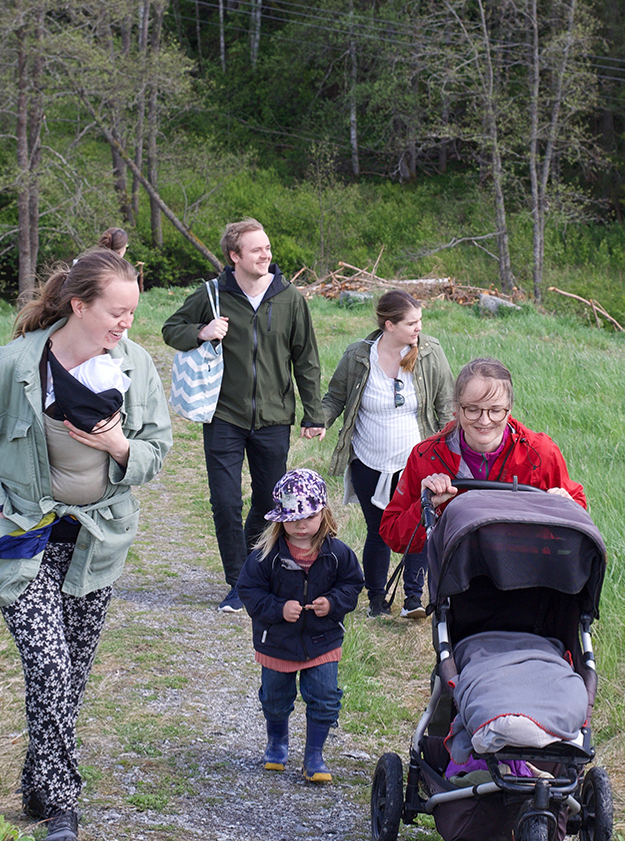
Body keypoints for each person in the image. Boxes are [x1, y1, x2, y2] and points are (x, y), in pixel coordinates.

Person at [0, 250, 172, 841]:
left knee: (69, 677)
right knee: (49, 664)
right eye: (116, 312)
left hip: (96, 540)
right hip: (21, 535)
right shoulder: (16, 365)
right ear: (79, 305)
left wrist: (122, 446)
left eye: (132, 313)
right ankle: (63, 806)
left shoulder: (136, 365)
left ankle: (36, 781)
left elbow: (158, 449)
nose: (126, 323)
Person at [161, 220, 326, 613]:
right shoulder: (213, 295)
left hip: (273, 418)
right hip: (224, 417)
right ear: (235, 256)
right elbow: (171, 329)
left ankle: (255, 568)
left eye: (267, 248)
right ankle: (237, 582)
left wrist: (312, 413)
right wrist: (202, 331)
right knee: (224, 501)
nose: (266, 255)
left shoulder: (290, 298)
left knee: (270, 501)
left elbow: (306, 360)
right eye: (257, 250)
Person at [321, 290, 454, 618]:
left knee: (420, 527)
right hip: (368, 461)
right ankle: (377, 602)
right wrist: (318, 421)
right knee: (379, 531)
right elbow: (335, 397)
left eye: (420, 321)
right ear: (389, 324)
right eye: (411, 323)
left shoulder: (429, 353)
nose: (418, 328)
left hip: (415, 462)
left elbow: (446, 405)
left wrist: (452, 448)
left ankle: (413, 600)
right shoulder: (357, 356)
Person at [380, 357, 588, 557]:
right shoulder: (427, 456)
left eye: (495, 410)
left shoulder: (541, 454)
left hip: (527, 576)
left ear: (510, 408)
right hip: (458, 578)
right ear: (456, 407)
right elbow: (394, 535)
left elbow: (580, 524)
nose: (485, 421)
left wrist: (566, 508)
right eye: (472, 409)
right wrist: (427, 505)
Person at [236, 469, 365, 783]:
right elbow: (249, 591)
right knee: (275, 698)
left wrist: (333, 603)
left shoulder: (338, 554)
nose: (300, 524)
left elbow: (353, 585)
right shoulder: (265, 556)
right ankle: (277, 741)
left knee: (324, 696)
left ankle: (314, 755)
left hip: (323, 640)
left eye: (308, 516)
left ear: (323, 513)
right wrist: (279, 608)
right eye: (292, 517)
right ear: (279, 519)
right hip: (277, 640)